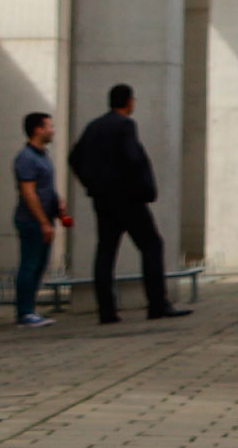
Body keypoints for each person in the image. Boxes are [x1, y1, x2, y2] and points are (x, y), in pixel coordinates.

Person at [68, 84, 182, 325]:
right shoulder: (125, 125)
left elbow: (74, 157)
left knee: (106, 251)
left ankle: (107, 311)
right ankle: (157, 304)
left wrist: (91, 183)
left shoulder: (94, 126)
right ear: (129, 102)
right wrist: (143, 189)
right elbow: (134, 159)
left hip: (102, 199)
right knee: (151, 244)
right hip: (128, 199)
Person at [11, 112, 64, 327]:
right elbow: (29, 193)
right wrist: (42, 222)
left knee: (39, 266)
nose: (52, 130)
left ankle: (30, 310)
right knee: (30, 265)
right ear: (37, 129)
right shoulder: (26, 158)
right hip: (32, 221)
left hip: (45, 219)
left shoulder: (43, 156)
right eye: (49, 126)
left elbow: (46, 188)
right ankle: (24, 313)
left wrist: (58, 204)